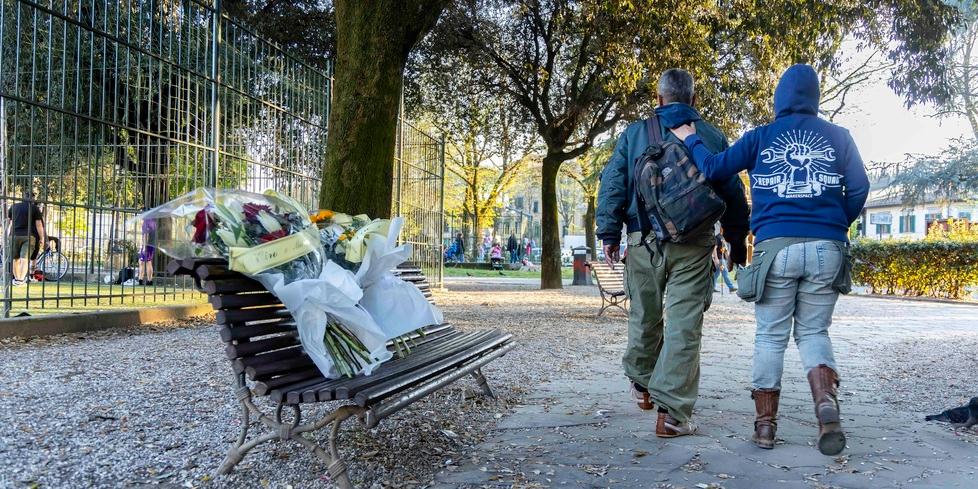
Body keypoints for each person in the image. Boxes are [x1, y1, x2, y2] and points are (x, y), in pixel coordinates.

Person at [670, 64, 869, 454]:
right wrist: (833, 224)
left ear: (779, 98)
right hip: (827, 250)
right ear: (815, 98)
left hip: (775, 250)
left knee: (770, 337)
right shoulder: (840, 137)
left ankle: (765, 428)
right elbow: (860, 187)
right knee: (813, 333)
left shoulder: (761, 136)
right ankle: (825, 404)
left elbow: (712, 168)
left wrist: (692, 138)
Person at [596, 68, 751, 437]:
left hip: (643, 240)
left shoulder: (634, 134)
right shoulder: (710, 135)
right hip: (695, 244)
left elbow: (614, 183)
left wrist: (609, 233)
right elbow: (732, 191)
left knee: (645, 315)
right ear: (693, 100)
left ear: (659, 98)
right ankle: (673, 414)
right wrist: (736, 237)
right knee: (684, 326)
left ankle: (642, 383)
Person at [7, 190, 47, 285]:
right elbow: (39, 225)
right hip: (28, 236)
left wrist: (5, 235)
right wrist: (42, 238)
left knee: (15, 258)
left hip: (14, 235)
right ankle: (21, 279)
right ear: (32, 199)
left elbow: (8, 222)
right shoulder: (34, 208)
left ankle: (17, 279)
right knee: (25, 259)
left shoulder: (14, 207)